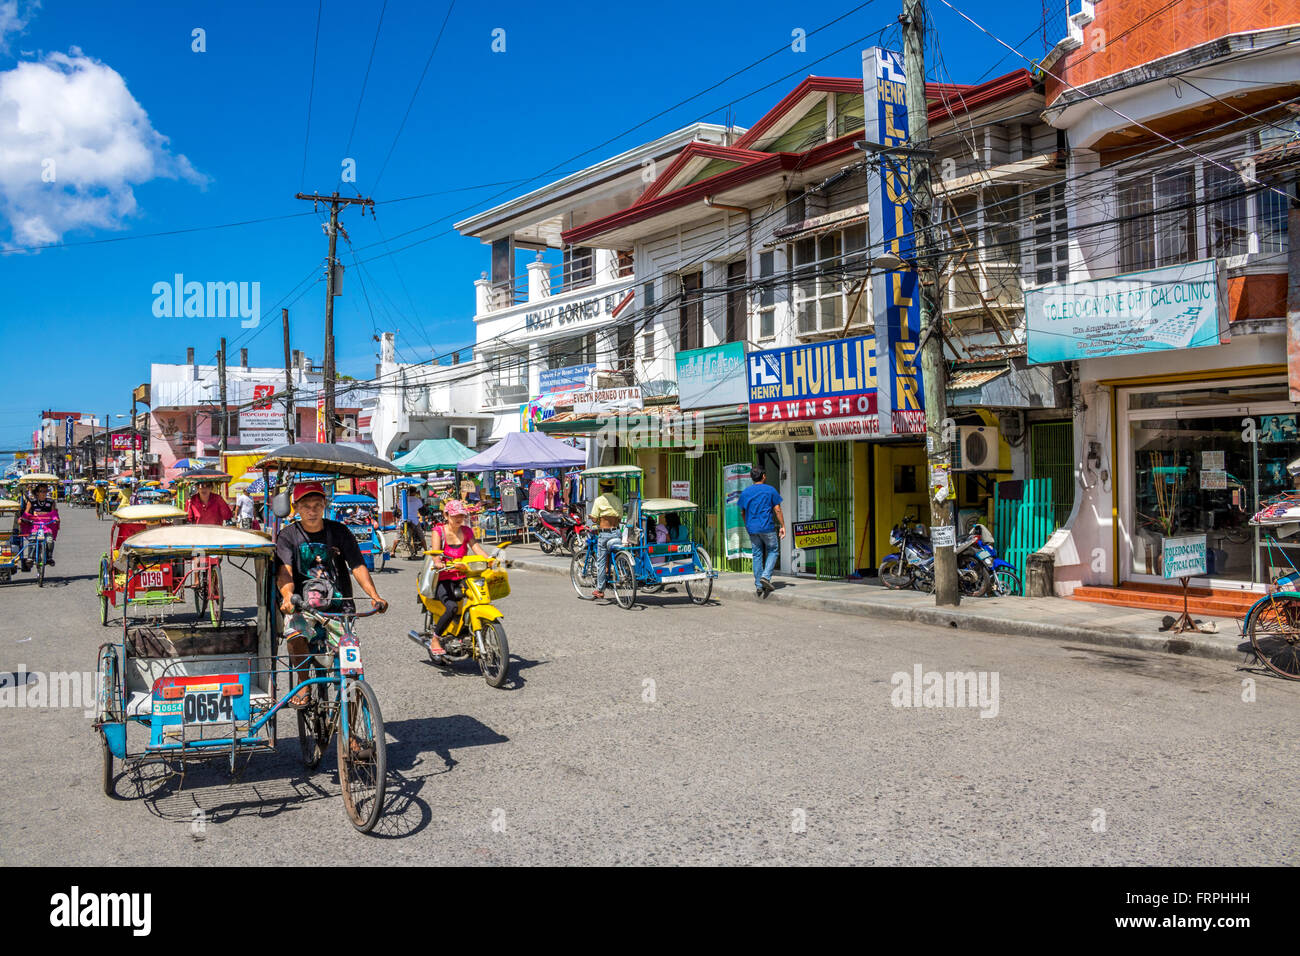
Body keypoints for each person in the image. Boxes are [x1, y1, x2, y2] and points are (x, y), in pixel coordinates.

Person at [275, 482, 388, 706]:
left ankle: (352, 731)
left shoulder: (340, 531)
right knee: (295, 636)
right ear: (295, 507)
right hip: (302, 605)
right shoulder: (288, 536)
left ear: (324, 505)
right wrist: (288, 597)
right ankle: (303, 683)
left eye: (317, 505)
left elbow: (357, 566)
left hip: (340, 606)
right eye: (306, 505)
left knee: (351, 672)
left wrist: (375, 596)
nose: (312, 510)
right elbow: (284, 572)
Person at [425, 498, 492, 662]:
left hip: (463, 575)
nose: (459, 518)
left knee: (479, 599)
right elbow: (435, 553)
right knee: (452, 607)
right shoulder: (438, 531)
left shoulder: (467, 531)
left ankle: (469, 632)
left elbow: (476, 548)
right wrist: (438, 562)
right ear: (446, 515)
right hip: (444, 577)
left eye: (461, 515)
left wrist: (490, 560)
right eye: (455, 515)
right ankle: (436, 638)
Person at [737, 466, 785, 598]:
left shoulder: (746, 492)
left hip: (752, 528)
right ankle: (765, 576)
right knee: (773, 550)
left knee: (757, 554)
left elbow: (742, 512)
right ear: (763, 476)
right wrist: (783, 525)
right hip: (767, 527)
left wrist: (747, 525)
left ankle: (759, 585)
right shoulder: (770, 490)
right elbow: (777, 510)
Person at [588, 477, 623, 600]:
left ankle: (600, 589)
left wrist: (593, 518)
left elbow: (594, 517)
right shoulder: (618, 500)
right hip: (617, 532)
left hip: (604, 534)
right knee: (614, 553)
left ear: (602, 488)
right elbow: (619, 518)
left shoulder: (599, 500)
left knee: (601, 562)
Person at [16, 484, 60, 566]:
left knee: (50, 540)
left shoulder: (50, 502)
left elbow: (54, 514)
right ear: (37, 493)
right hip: (35, 526)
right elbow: (26, 513)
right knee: (32, 539)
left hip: (47, 526)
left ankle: (49, 557)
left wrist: (56, 519)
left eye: (45, 491)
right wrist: (22, 519)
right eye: (41, 491)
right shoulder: (31, 502)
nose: (44, 493)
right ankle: (30, 558)